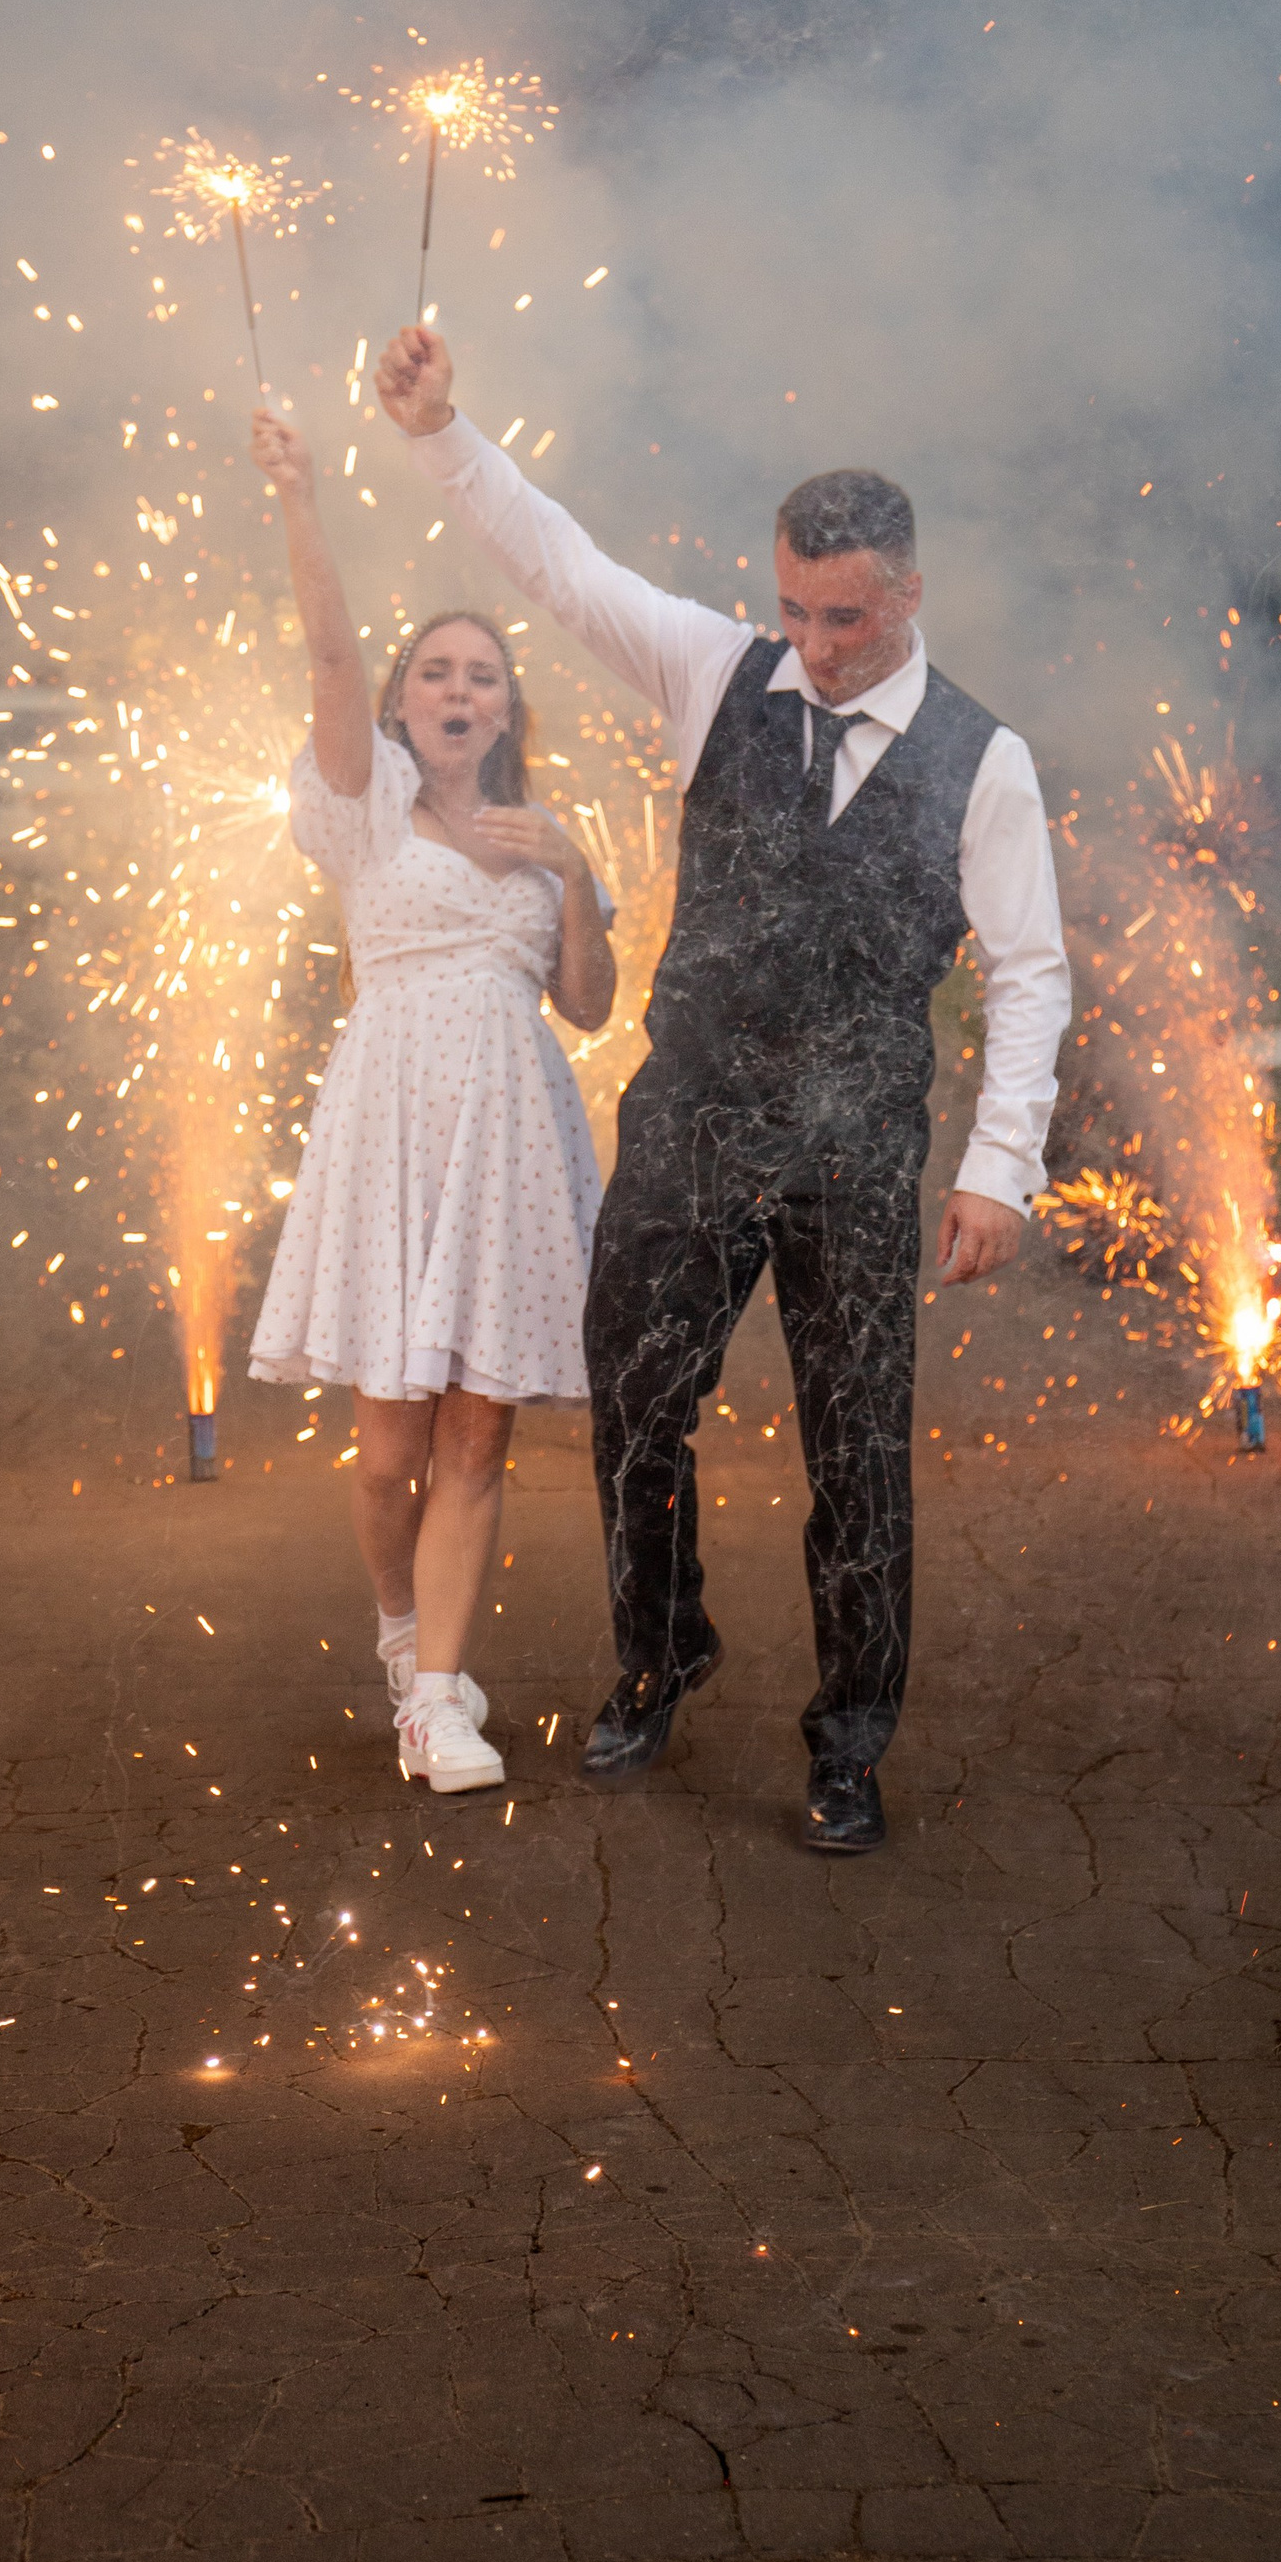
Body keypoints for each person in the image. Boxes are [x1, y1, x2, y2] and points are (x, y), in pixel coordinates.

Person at [374, 321, 1071, 1853]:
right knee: (631, 1406)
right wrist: (441, 434)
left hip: (856, 1151)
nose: (814, 644)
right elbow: (562, 569)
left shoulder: (985, 762)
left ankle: (848, 1746)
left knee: (859, 1457)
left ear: (906, 596)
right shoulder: (716, 669)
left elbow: (1029, 974)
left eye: (844, 618)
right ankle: (659, 1653)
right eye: (794, 611)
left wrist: (998, 1166)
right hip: (690, 1122)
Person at [247, 399, 618, 1797]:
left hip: (513, 1139)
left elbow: (587, 1004)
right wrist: (302, 498)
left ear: (509, 708)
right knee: (387, 1445)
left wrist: (574, 872)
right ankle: (402, 1631)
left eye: (486, 676)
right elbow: (329, 650)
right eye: (439, 672)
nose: (461, 690)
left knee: (480, 1428)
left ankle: (441, 1702)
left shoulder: (539, 841)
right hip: (395, 1125)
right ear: (407, 699)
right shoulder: (362, 808)